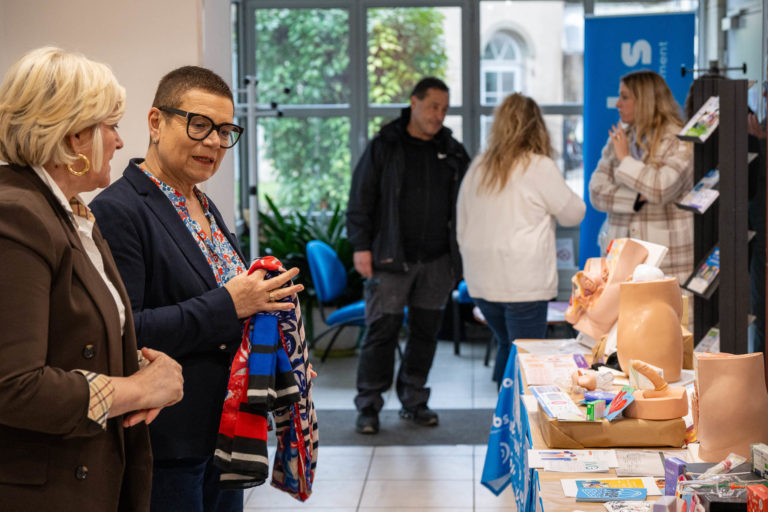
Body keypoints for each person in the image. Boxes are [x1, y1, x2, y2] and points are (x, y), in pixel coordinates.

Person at [90, 66, 304, 512]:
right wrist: (230, 302)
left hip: (225, 434)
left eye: (225, 131)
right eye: (199, 124)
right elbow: (126, 329)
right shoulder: (119, 210)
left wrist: (278, 356)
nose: (213, 142)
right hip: (170, 441)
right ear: (155, 122)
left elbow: (234, 320)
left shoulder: (202, 202)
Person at [0, 47, 184, 511]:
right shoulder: (17, 215)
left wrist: (153, 373)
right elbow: (13, 386)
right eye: (111, 127)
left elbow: (78, 339)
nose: (121, 143)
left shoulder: (72, 213)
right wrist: (138, 390)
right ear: (72, 135)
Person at [347, 76, 471, 434]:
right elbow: (361, 198)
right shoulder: (385, 144)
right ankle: (369, 405)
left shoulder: (452, 150)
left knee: (425, 334)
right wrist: (361, 246)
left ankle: (414, 400)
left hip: (437, 262)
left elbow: (471, 200)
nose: (439, 116)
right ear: (414, 102)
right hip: (389, 259)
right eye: (433, 106)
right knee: (381, 332)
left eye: (444, 109)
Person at [457, 93, 585, 387]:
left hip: (480, 282)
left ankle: (501, 421)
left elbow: (460, 223)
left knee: (507, 345)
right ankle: (515, 423)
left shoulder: (478, 166)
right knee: (526, 355)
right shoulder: (537, 166)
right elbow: (574, 214)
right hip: (523, 284)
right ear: (536, 126)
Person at [589, 70, 693, 287]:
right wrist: (637, 198)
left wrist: (625, 159)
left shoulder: (678, 140)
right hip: (621, 263)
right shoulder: (619, 138)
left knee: (665, 319)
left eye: (625, 97)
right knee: (623, 320)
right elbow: (597, 192)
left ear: (645, 100)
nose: (618, 104)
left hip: (665, 264)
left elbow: (661, 189)